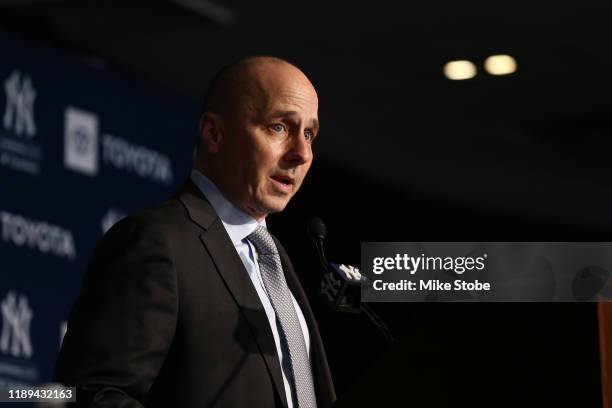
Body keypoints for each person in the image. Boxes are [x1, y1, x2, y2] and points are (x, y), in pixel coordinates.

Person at [54, 56, 336, 408]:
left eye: (309, 133)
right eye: (279, 127)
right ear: (213, 133)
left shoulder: (277, 261)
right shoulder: (159, 242)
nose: (301, 153)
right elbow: (89, 394)